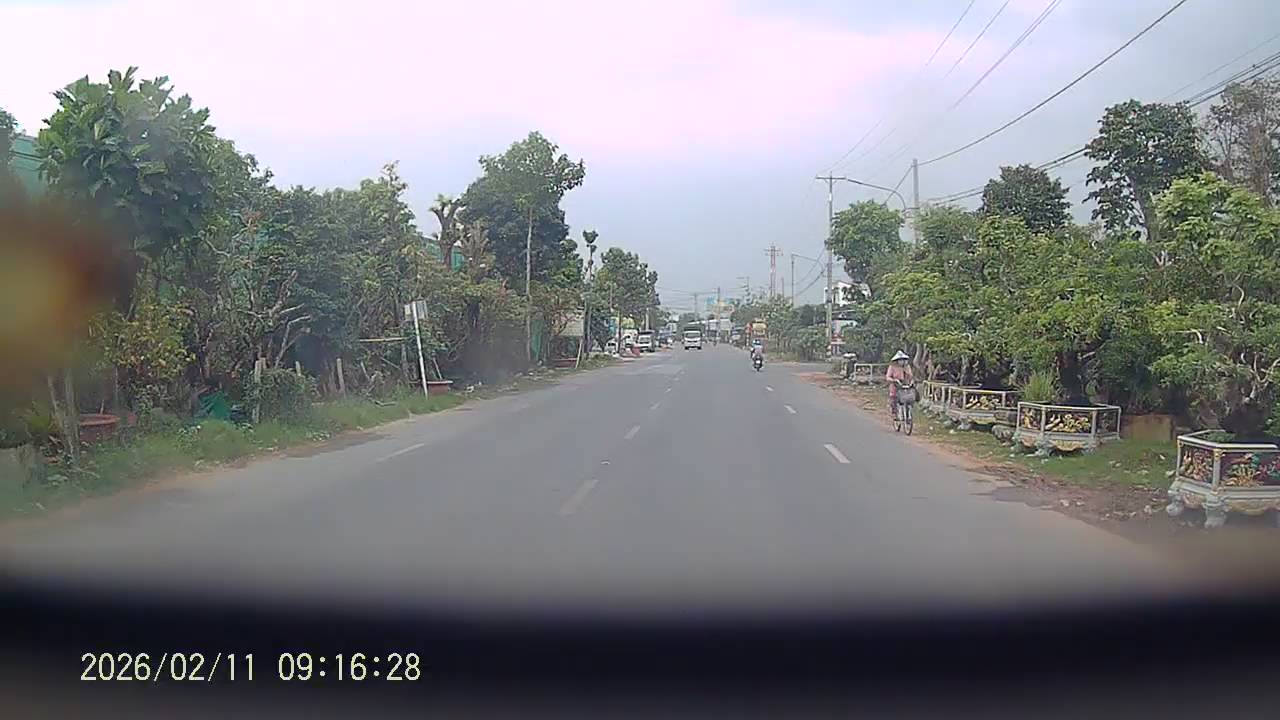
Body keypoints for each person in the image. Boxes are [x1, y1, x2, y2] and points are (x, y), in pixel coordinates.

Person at [885, 350, 914, 418]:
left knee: (909, 400)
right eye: (900, 360)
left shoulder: (907, 367)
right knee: (894, 400)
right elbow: (888, 377)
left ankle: (908, 416)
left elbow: (911, 376)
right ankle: (895, 414)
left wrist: (911, 381)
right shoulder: (892, 367)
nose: (901, 361)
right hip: (895, 386)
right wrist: (894, 380)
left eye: (902, 360)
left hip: (905, 386)